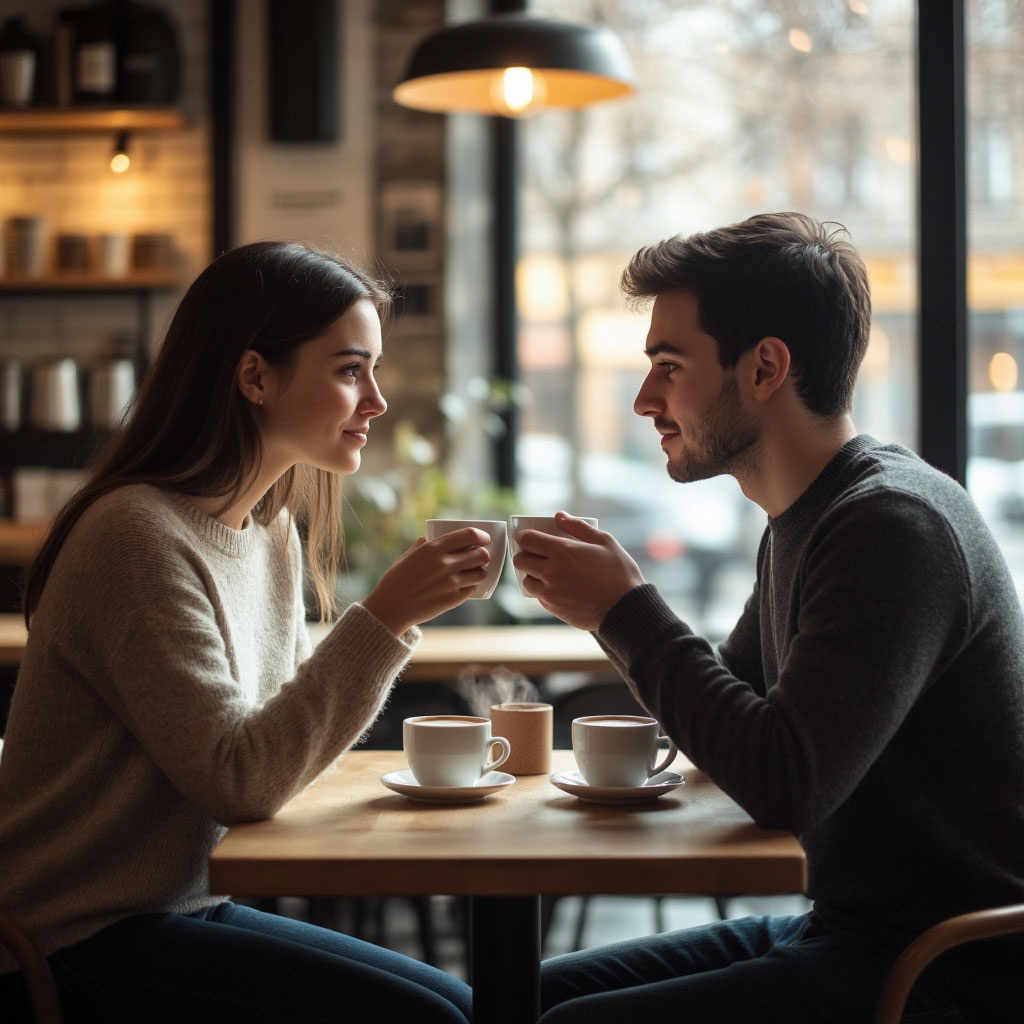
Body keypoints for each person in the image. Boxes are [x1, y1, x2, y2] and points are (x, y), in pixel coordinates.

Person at [512, 212, 1024, 1023]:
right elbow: (733, 716)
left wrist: (622, 608)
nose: (645, 398)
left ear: (765, 369)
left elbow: (783, 778)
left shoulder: (893, 525)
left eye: (668, 366)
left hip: (945, 971)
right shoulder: (807, 517)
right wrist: (617, 609)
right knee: (522, 998)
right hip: (848, 934)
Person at [0, 241, 486, 1023]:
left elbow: (282, 740)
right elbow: (242, 777)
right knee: (435, 1017)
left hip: (179, 906)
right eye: (349, 369)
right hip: (72, 937)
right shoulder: (135, 535)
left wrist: (388, 622)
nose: (377, 401)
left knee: (461, 1003)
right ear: (256, 376)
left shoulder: (270, 533)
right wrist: (388, 617)